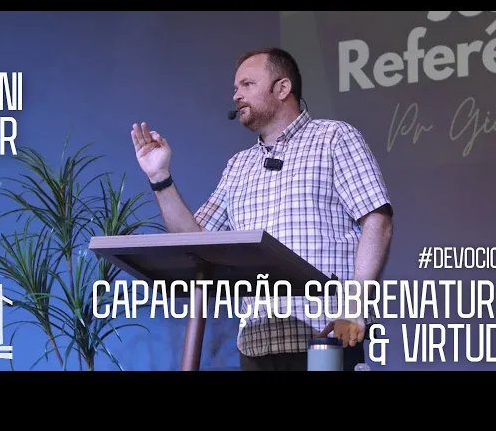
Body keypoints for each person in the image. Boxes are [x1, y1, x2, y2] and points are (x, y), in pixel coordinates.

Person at [130, 47, 393, 371]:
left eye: (247, 84)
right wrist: (160, 177)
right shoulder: (238, 166)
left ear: (282, 88)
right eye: (235, 88)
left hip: (325, 338)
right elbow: (194, 239)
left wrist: (355, 305)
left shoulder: (334, 138)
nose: (236, 95)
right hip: (257, 346)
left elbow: (377, 220)